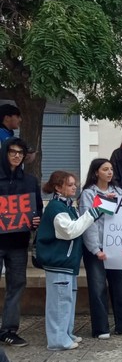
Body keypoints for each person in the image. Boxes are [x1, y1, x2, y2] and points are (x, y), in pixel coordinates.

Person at [36, 171, 102, 350]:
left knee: (67, 299)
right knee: (59, 301)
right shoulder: (56, 208)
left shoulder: (67, 206)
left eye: (75, 184)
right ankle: (58, 340)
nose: (75, 187)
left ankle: (66, 333)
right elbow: (70, 231)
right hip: (59, 262)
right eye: (70, 184)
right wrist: (93, 213)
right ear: (58, 187)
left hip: (66, 263)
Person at [80, 158, 122, 339]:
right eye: (105, 169)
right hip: (96, 248)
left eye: (111, 169)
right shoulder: (88, 194)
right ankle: (100, 328)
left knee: (120, 286)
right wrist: (95, 249)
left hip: (117, 246)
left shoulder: (118, 191)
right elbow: (88, 221)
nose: (109, 172)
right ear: (96, 172)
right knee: (98, 288)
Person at [0, 138, 42, 347]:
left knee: (16, 285)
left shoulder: (30, 181)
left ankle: (9, 330)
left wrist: (36, 220)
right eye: (12, 152)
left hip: (18, 242)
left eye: (20, 153)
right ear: (5, 154)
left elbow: (38, 210)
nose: (16, 156)